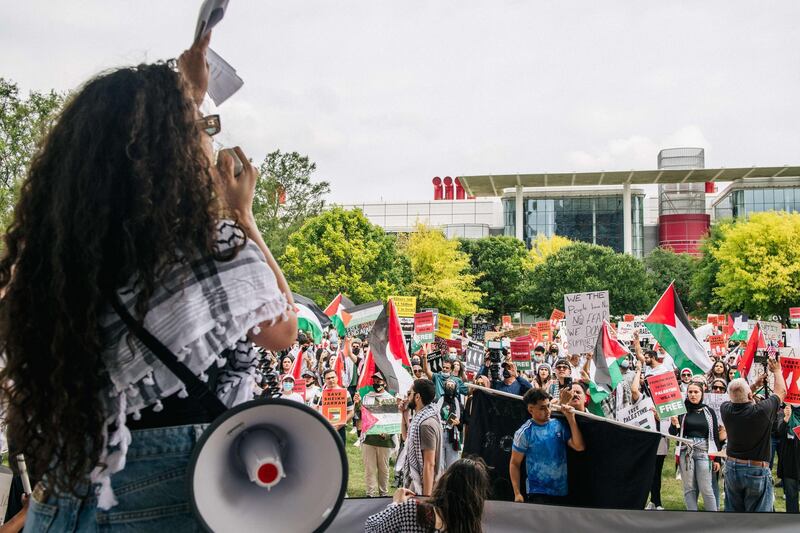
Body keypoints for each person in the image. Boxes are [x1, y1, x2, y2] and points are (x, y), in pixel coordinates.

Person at [0, 34, 299, 530]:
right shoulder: (204, 244)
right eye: (203, 130)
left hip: (66, 500)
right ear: (173, 153)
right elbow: (282, 328)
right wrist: (242, 216)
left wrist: (188, 96)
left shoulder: (50, 262)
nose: (211, 141)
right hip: (163, 493)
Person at [721, 357, 787, 512]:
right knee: (758, 520)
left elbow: (738, 396)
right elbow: (781, 392)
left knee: (734, 517)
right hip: (756, 471)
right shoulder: (761, 411)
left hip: (732, 467)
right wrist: (777, 371)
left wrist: (754, 385)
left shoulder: (726, 409)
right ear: (750, 395)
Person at [364, 457, 489, 533]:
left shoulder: (412, 510)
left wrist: (396, 504)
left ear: (445, 480)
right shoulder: (470, 528)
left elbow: (371, 528)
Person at [509, 388, 585, 504]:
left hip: (561, 491)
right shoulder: (524, 432)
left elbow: (579, 447)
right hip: (538, 492)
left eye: (549, 406)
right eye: (542, 408)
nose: (548, 411)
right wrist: (517, 493)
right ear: (531, 409)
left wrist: (571, 418)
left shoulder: (558, 425)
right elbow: (514, 463)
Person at [669, 382, 725, 511]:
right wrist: (673, 423)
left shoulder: (709, 412)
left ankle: (712, 519)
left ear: (702, 393)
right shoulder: (681, 410)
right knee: (689, 487)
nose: (693, 395)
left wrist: (716, 458)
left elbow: (715, 436)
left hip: (704, 451)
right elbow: (673, 433)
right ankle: (692, 517)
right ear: (687, 393)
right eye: (690, 392)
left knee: (706, 487)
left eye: (696, 392)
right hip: (685, 451)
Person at [355, 372, 397, 498]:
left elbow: (393, 420)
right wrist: (357, 403)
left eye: (379, 381)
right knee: (369, 468)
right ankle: (370, 493)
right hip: (369, 439)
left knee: (384, 469)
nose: (376, 383)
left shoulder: (390, 398)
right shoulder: (367, 397)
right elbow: (360, 415)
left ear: (384, 382)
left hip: (384, 441)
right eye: (374, 380)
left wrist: (388, 434)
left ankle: (383, 493)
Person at [400, 379, 444, 496]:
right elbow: (406, 438)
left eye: (409, 393)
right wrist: (404, 414)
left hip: (422, 486)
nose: (407, 397)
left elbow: (429, 464)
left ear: (418, 397)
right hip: (416, 482)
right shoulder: (421, 418)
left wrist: (425, 499)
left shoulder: (426, 424)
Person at [312, 368, 355, 443]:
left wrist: (339, 426)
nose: (331, 380)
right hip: (323, 428)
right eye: (328, 378)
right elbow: (313, 410)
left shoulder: (345, 393)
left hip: (339, 429)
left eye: (333, 377)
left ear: (337, 378)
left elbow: (351, 412)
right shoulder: (319, 393)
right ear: (324, 380)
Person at [436, 378, 465, 468]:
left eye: (452, 386)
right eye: (448, 385)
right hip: (439, 435)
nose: (450, 387)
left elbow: (461, 426)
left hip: (452, 438)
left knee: (452, 466)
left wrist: (458, 423)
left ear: (455, 388)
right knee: (438, 466)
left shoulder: (459, 405)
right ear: (444, 387)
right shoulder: (437, 401)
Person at [777, 404, 800, 513]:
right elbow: (778, 432)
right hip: (789, 462)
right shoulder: (785, 412)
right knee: (791, 495)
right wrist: (786, 418)